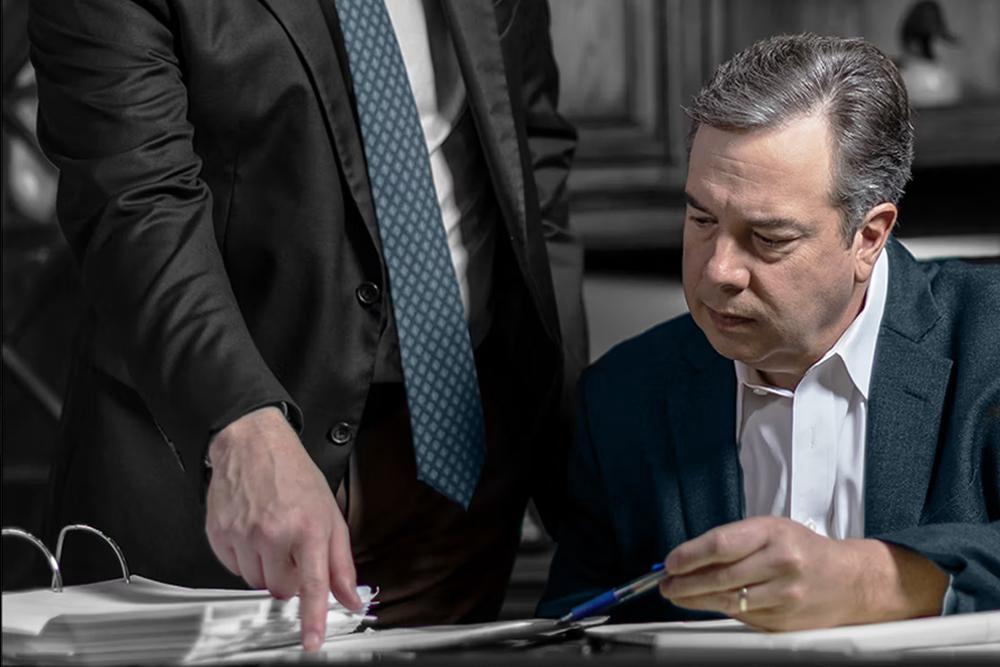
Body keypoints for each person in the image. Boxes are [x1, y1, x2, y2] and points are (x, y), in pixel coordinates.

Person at [29, 0, 586, 649]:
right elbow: (134, 203)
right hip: (217, 480)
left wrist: (573, 422)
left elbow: (532, 149)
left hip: (459, 469)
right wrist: (241, 425)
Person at [539, 33, 999, 630]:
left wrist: (871, 580)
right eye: (702, 218)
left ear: (869, 237)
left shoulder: (989, 340)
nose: (718, 271)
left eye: (768, 238)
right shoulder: (622, 397)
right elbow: (574, 629)